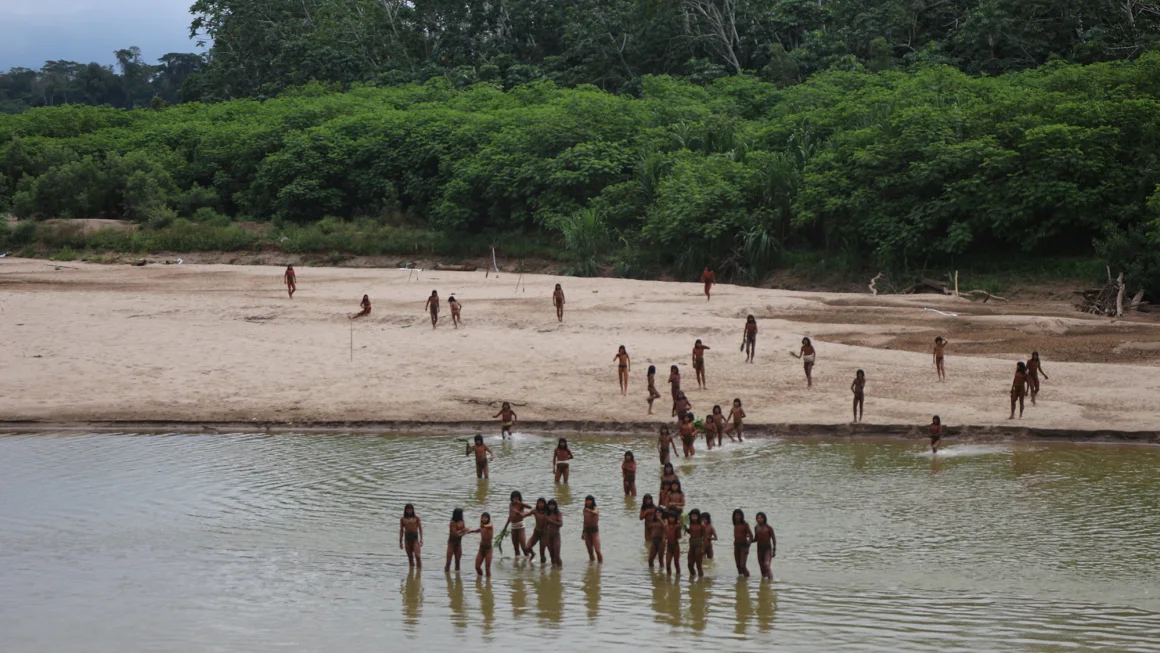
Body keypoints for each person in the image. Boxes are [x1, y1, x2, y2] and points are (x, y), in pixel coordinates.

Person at [503, 491, 534, 559]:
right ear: (511, 498)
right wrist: (505, 527)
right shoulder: (511, 505)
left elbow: (530, 507)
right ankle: (517, 561)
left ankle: (528, 558)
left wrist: (520, 503)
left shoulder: (521, 504)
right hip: (513, 527)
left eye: (517, 497)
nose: (515, 499)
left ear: (519, 497)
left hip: (520, 527)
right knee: (515, 546)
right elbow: (510, 516)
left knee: (523, 546)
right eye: (514, 497)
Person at [524, 498, 549, 563]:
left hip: (544, 534)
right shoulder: (535, 511)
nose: (540, 504)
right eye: (539, 503)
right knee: (527, 548)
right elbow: (525, 515)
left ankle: (542, 567)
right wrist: (518, 513)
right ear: (537, 504)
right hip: (536, 533)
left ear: (545, 504)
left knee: (542, 553)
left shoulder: (548, 512)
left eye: (542, 503)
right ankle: (533, 554)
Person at [399, 503, 423, 568]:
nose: (409, 511)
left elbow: (420, 528)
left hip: (415, 538)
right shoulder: (403, 519)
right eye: (408, 510)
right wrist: (400, 542)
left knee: (417, 556)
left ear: (413, 510)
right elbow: (401, 530)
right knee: (410, 558)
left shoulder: (416, 518)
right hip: (407, 538)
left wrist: (421, 539)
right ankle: (411, 572)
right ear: (406, 510)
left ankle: (419, 570)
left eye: (411, 509)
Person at [471, 512, 495, 577]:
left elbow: (489, 525)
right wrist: (471, 531)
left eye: (485, 518)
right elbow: (479, 530)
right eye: (483, 517)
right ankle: (480, 578)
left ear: (488, 519)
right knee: (477, 567)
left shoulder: (490, 525)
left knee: (487, 568)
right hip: (481, 549)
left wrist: (484, 526)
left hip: (488, 550)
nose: (484, 519)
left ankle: (488, 582)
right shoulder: (482, 526)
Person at [754, 512, 776, 579]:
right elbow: (756, 538)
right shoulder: (756, 527)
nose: (759, 519)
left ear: (764, 519)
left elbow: (773, 539)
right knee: (762, 567)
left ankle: (771, 580)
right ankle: (764, 582)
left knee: (766, 565)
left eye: (760, 518)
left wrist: (774, 550)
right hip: (759, 549)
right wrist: (749, 541)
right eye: (757, 518)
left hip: (767, 549)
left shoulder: (769, 528)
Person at [445, 508, 468, 572]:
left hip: (458, 543)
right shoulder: (452, 522)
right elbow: (454, 533)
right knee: (448, 562)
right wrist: (463, 531)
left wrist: (465, 531)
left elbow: (463, 532)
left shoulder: (462, 522)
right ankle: (447, 573)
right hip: (451, 543)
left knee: (458, 561)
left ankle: (457, 575)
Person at [686, 509, 706, 579]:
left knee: (698, 565)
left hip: (698, 545)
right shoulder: (690, 524)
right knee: (690, 564)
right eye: (692, 516)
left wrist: (703, 549)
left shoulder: (701, 525)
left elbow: (705, 537)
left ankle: (700, 580)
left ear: (698, 516)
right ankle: (692, 577)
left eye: (695, 516)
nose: (693, 518)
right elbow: (690, 532)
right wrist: (685, 528)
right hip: (691, 545)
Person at [582, 495, 603, 563]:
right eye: (587, 500)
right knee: (590, 551)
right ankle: (591, 565)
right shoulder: (584, 509)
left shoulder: (595, 508)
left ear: (592, 501)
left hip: (595, 532)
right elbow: (584, 521)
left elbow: (596, 513)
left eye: (589, 500)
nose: (588, 502)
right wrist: (583, 532)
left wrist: (590, 511)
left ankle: (600, 565)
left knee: (597, 550)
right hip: (587, 532)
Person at [732, 509, 753, 577]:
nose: (737, 517)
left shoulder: (745, 524)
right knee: (738, 565)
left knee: (742, 565)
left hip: (744, 546)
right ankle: (741, 579)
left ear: (742, 516)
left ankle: (747, 578)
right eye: (736, 515)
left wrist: (748, 544)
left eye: (739, 515)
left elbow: (751, 536)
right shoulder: (735, 524)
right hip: (736, 546)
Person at [545, 499, 564, 567]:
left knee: (557, 554)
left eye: (553, 505)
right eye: (550, 505)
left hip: (556, 535)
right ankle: (553, 569)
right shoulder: (547, 513)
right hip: (548, 535)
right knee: (551, 554)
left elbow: (560, 524)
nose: (551, 506)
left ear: (555, 506)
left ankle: (560, 569)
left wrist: (551, 521)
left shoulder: (558, 513)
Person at [664, 510, 683, 576]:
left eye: (672, 517)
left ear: (675, 518)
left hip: (675, 546)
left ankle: (678, 576)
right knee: (667, 563)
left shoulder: (677, 526)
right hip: (669, 546)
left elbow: (679, 536)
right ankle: (668, 577)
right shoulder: (666, 526)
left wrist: (678, 528)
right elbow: (665, 536)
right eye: (670, 517)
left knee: (676, 563)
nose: (671, 519)